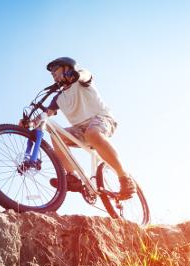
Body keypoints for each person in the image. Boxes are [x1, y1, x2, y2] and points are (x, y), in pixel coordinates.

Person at [38, 57, 136, 199]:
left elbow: (86, 75)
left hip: (101, 119)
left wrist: (76, 75)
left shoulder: (81, 79)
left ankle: (125, 178)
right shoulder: (59, 97)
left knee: (92, 133)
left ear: (67, 68)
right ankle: (72, 177)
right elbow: (46, 114)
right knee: (56, 135)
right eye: (51, 73)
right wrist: (30, 121)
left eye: (55, 69)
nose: (52, 74)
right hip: (80, 129)